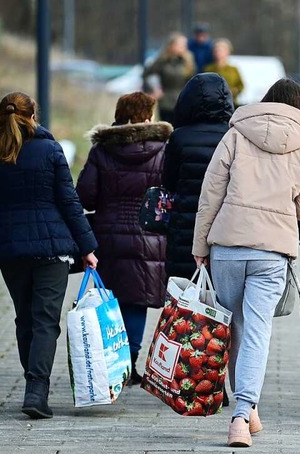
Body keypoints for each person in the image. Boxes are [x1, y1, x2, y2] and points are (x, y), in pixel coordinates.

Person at [192, 78, 300, 447]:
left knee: (234, 327)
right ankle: (242, 413)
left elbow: (211, 193)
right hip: (271, 252)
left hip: (229, 247)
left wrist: (200, 244)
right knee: (256, 330)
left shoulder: (236, 134)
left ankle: (245, 410)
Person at [0, 92, 98, 419]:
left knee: (25, 318)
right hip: (52, 249)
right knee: (45, 320)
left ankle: (33, 383)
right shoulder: (50, 150)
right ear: (33, 116)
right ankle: (36, 390)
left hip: (11, 249)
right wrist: (88, 247)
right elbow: (69, 202)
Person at [75, 92, 172, 384]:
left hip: (108, 234)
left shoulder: (102, 150)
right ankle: (129, 363)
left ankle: (110, 361)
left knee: (111, 300)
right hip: (149, 238)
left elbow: (85, 195)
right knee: (137, 301)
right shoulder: (164, 149)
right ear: (146, 116)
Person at [163, 73, 234, 281]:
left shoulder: (179, 137)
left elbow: (167, 182)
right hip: (224, 227)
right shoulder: (233, 135)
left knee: (186, 302)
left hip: (186, 230)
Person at [143, 32, 195, 124]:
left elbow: (192, 80)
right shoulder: (162, 60)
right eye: (181, 44)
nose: (184, 47)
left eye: (185, 44)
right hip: (166, 101)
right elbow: (147, 75)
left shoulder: (188, 61)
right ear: (172, 45)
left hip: (183, 101)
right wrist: (154, 89)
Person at [204, 38, 245, 105]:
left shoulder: (233, 69)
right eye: (216, 50)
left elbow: (241, 86)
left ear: (227, 52)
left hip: (231, 103)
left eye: (220, 51)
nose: (218, 53)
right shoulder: (208, 69)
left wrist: (233, 91)